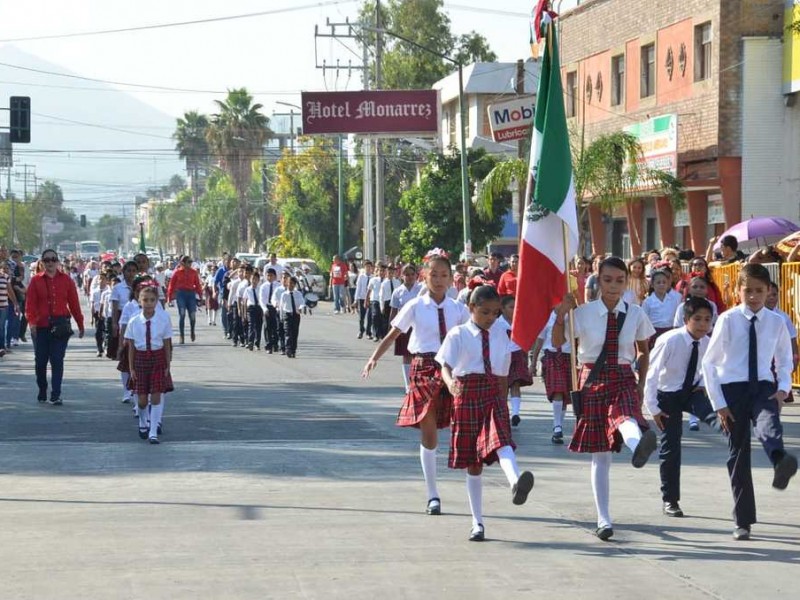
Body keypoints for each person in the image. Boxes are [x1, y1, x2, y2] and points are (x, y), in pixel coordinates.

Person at [553, 256, 657, 541]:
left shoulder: (635, 314)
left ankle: (638, 447)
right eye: (608, 280)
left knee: (625, 415)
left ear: (627, 282)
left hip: (623, 375)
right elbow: (557, 342)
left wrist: (642, 384)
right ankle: (604, 518)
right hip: (592, 379)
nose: (613, 286)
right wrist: (562, 314)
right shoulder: (583, 313)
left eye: (620, 281)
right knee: (601, 455)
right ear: (598, 281)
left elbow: (643, 351)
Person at [362, 254, 470, 517]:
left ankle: (474, 482)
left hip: (453, 369)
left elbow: (478, 332)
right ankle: (433, 494)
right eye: (434, 275)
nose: (439, 280)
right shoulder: (415, 306)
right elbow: (393, 334)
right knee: (429, 431)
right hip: (423, 368)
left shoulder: (458, 309)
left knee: (466, 426)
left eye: (444, 275)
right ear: (424, 275)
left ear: (451, 278)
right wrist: (374, 357)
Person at [702, 263, 798, 540]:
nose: (754, 296)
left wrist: (782, 389)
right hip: (732, 389)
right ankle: (742, 520)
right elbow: (709, 364)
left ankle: (780, 461)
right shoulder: (728, 320)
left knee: (770, 423)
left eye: (759, 290)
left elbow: (784, 359)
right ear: (737, 291)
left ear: (769, 291)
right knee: (738, 453)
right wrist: (718, 403)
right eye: (748, 291)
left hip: (764, 386)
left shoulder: (776, 321)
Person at [436, 284, 534, 541]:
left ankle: (515, 482)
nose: (491, 318)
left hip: (492, 392)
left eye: (495, 313)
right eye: (485, 312)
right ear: (471, 308)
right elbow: (445, 365)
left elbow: (502, 372)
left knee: (501, 439)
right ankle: (477, 522)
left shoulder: (503, 334)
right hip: (466, 392)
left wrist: (502, 401)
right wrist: (450, 383)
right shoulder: (458, 334)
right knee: (474, 463)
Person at [644, 297, 721, 518]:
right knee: (671, 447)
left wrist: (708, 390)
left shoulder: (708, 343)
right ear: (686, 319)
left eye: (707, 320)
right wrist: (653, 408)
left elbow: (712, 371)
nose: (703, 325)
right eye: (697, 319)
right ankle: (670, 500)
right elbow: (652, 374)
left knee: (717, 417)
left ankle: (733, 434)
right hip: (667, 396)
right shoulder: (670, 340)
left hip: (693, 392)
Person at [25, 249, 85, 405]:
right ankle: (42, 388)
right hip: (41, 326)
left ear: (57, 261)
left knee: (57, 359)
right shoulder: (36, 281)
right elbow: (30, 304)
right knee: (40, 361)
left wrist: (80, 323)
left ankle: (56, 393)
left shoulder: (66, 280)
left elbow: (74, 304)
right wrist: (31, 322)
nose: (50, 263)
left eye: (53, 259)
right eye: (46, 260)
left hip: (60, 326)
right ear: (42, 262)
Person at [126, 283, 173, 444]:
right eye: (145, 300)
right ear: (139, 301)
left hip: (157, 358)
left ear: (156, 302)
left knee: (156, 396)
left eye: (152, 300)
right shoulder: (134, 321)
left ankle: (153, 431)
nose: (149, 303)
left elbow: (167, 343)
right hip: (140, 359)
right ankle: (142, 422)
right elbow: (131, 347)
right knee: (142, 400)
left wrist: (168, 364)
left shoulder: (163, 319)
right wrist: (131, 367)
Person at [531, 309, 573, 443]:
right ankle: (557, 425)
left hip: (568, 357)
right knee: (558, 390)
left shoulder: (573, 315)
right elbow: (539, 340)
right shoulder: (546, 317)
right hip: (552, 356)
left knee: (565, 394)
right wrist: (533, 362)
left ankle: (559, 424)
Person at [498, 295, 532, 428]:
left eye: (515, 307)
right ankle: (503, 412)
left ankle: (516, 413)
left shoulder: (519, 322)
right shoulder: (497, 324)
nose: (514, 310)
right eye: (511, 307)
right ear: (503, 308)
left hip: (517, 354)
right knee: (504, 385)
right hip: (503, 356)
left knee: (515, 383)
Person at [390, 264, 422, 392]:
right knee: (406, 355)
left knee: (417, 354)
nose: (409, 277)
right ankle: (408, 385)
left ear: (416, 275)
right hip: (403, 326)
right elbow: (393, 311)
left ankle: (418, 382)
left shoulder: (421, 289)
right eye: (406, 274)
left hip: (418, 325)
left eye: (411, 274)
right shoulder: (398, 291)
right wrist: (391, 329)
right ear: (402, 276)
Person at [167, 255, 204, 344]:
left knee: (192, 316)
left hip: (191, 294)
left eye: (191, 262)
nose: (190, 264)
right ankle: (182, 335)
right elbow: (171, 285)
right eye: (188, 262)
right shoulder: (177, 272)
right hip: (181, 294)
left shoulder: (194, 272)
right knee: (182, 314)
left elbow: (198, 285)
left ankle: (192, 331)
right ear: (183, 263)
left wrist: (200, 296)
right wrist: (169, 297)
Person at [642, 269, 682, 348]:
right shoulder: (648, 301)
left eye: (664, 282)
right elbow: (644, 320)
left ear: (668, 284)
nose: (661, 285)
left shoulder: (673, 300)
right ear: (652, 285)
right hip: (654, 333)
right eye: (658, 282)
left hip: (670, 332)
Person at [278, 276, 304, 358]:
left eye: (292, 283)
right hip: (287, 315)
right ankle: (288, 349)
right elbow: (281, 307)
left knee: (294, 333)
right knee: (288, 333)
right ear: (286, 283)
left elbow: (302, 302)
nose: (290, 285)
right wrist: (281, 317)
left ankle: (293, 350)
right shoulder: (284, 295)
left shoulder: (298, 294)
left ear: (295, 284)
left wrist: (300, 308)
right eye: (289, 283)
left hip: (296, 315)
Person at [0, 260, 19, 358]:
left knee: (1, 327)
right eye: (3, 268)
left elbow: (10, 291)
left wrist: (15, 303)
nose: (4, 270)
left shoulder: (6, 277)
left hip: (4, 306)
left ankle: (2, 347)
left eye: (6, 269)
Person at [259, 268, 279, 354]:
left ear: (275, 276)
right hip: (267, 307)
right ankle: (268, 345)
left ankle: (275, 344)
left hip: (276, 308)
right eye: (268, 275)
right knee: (267, 327)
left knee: (276, 327)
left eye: (271, 275)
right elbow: (261, 299)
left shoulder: (278, 286)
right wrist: (264, 309)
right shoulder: (263, 286)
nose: (269, 277)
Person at [354, 260, 374, 340]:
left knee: (370, 316)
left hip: (370, 298)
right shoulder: (361, 277)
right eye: (367, 267)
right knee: (361, 316)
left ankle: (368, 332)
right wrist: (356, 299)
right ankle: (361, 330)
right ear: (364, 268)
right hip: (362, 298)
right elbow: (358, 288)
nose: (368, 268)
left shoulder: (373, 277)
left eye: (369, 267)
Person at [366, 263, 386, 341]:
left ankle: (381, 334)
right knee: (375, 316)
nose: (382, 272)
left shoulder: (387, 281)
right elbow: (369, 291)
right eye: (380, 271)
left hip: (384, 301)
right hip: (375, 301)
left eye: (383, 271)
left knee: (382, 318)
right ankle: (375, 335)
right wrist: (366, 300)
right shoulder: (373, 280)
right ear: (377, 271)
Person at [245, 270, 263, 351]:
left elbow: (262, 300)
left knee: (258, 326)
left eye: (256, 279)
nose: (254, 281)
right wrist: (244, 311)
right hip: (251, 308)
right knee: (251, 325)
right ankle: (250, 342)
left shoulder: (260, 289)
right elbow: (244, 301)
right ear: (250, 279)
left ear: (258, 280)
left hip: (259, 308)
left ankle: (257, 343)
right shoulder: (247, 289)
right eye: (252, 279)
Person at [90, 273, 107, 358]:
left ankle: (105, 345)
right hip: (97, 314)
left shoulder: (108, 291)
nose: (101, 280)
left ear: (106, 280)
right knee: (98, 332)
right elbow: (92, 304)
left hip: (106, 314)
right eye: (100, 279)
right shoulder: (95, 291)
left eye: (103, 279)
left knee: (105, 331)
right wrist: (92, 318)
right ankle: (99, 349)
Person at [380, 264, 401, 331]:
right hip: (387, 302)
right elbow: (381, 296)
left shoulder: (397, 282)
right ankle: (385, 334)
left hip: (395, 303)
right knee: (386, 320)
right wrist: (382, 306)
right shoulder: (384, 283)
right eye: (389, 273)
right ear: (387, 273)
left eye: (392, 273)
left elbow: (400, 293)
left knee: (395, 319)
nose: (391, 274)